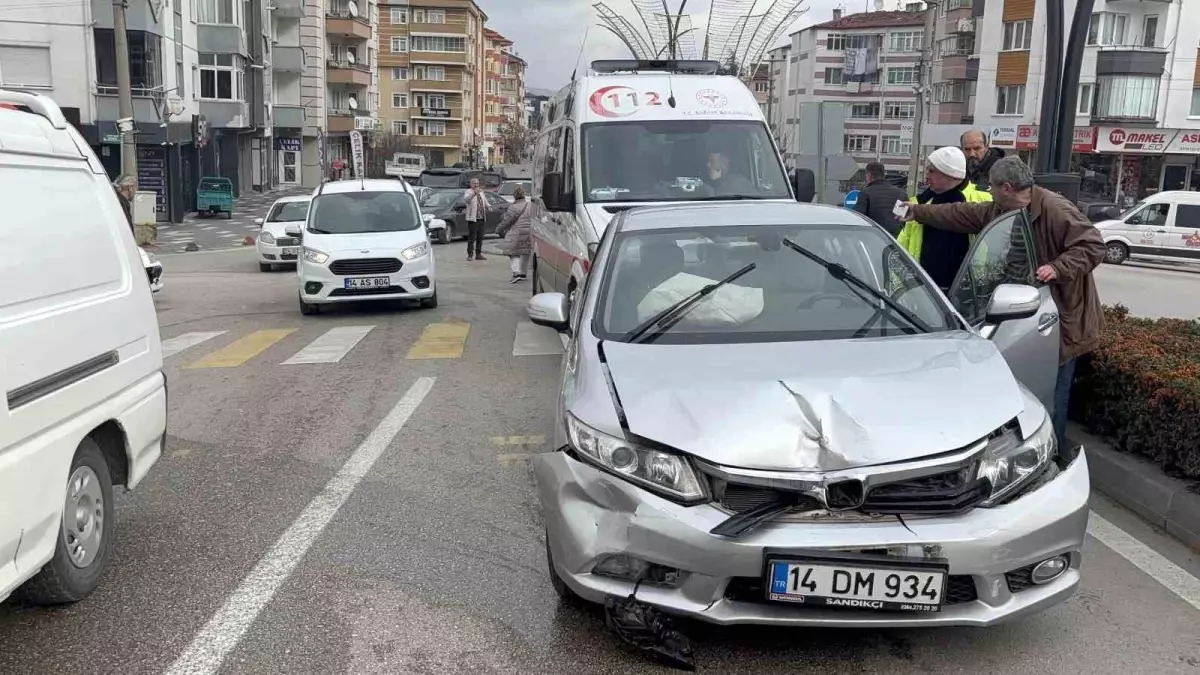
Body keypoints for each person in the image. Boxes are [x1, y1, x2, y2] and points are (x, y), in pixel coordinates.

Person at [899, 156, 1106, 451]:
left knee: (1050, 399)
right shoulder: (1002, 209)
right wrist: (917, 211)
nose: (989, 193)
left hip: (1058, 318)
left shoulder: (1054, 209)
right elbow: (961, 213)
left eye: (993, 188)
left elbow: (1093, 245)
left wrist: (1059, 267)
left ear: (1007, 187)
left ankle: (1053, 457)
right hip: (1019, 311)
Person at [897, 147, 993, 291]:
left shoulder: (983, 199)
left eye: (932, 171)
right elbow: (901, 246)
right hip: (922, 290)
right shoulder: (917, 203)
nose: (926, 176)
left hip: (969, 293)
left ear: (950, 175)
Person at [853, 162, 908, 236]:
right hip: (896, 241)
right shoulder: (901, 193)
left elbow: (858, 218)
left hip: (874, 237)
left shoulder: (866, 193)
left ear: (869, 175)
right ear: (884, 175)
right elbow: (904, 220)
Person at [496, 185, 533, 283]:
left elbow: (506, 221)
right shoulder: (530, 205)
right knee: (526, 252)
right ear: (524, 195)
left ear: (514, 196)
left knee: (512, 253)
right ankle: (523, 273)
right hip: (529, 231)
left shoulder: (513, 207)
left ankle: (516, 273)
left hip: (517, 232)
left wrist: (498, 230)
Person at [462, 177, 489, 261]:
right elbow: (466, 200)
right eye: (474, 183)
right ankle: (470, 254)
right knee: (472, 237)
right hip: (473, 218)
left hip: (481, 218)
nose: (476, 185)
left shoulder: (481, 192)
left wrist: (489, 206)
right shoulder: (468, 192)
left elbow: (485, 201)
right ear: (471, 184)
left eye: (477, 183)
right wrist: (474, 193)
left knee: (480, 237)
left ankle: (478, 254)